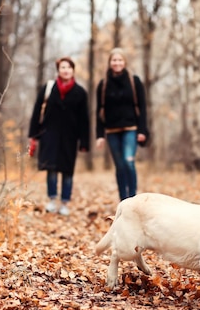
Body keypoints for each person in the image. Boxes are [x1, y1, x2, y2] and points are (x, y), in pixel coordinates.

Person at [28, 57, 90, 216]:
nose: (66, 70)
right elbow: (37, 112)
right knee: (51, 169)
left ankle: (64, 203)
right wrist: (33, 134)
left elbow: (84, 119)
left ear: (73, 70)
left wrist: (84, 141)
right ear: (58, 70)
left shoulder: (80, 92)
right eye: (63, 67)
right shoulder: (48, 88)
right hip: (49, 135)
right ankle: (52, 200)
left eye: (69, 67)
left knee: (67, 171)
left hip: (70, 137)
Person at [96, 48, 149, 201]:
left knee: (128, 161)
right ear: (110, 63)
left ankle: (133, 198)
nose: (117, 63)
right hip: (112, 130)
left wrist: (142, 130)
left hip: (131, 129)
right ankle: (123, 200)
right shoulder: (103, 84)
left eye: (120, 60)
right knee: (119, 165)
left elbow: (143, 107)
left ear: (124, 62)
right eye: (114, 60)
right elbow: (99, 111)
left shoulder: (134, 81)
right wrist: (99, 135)